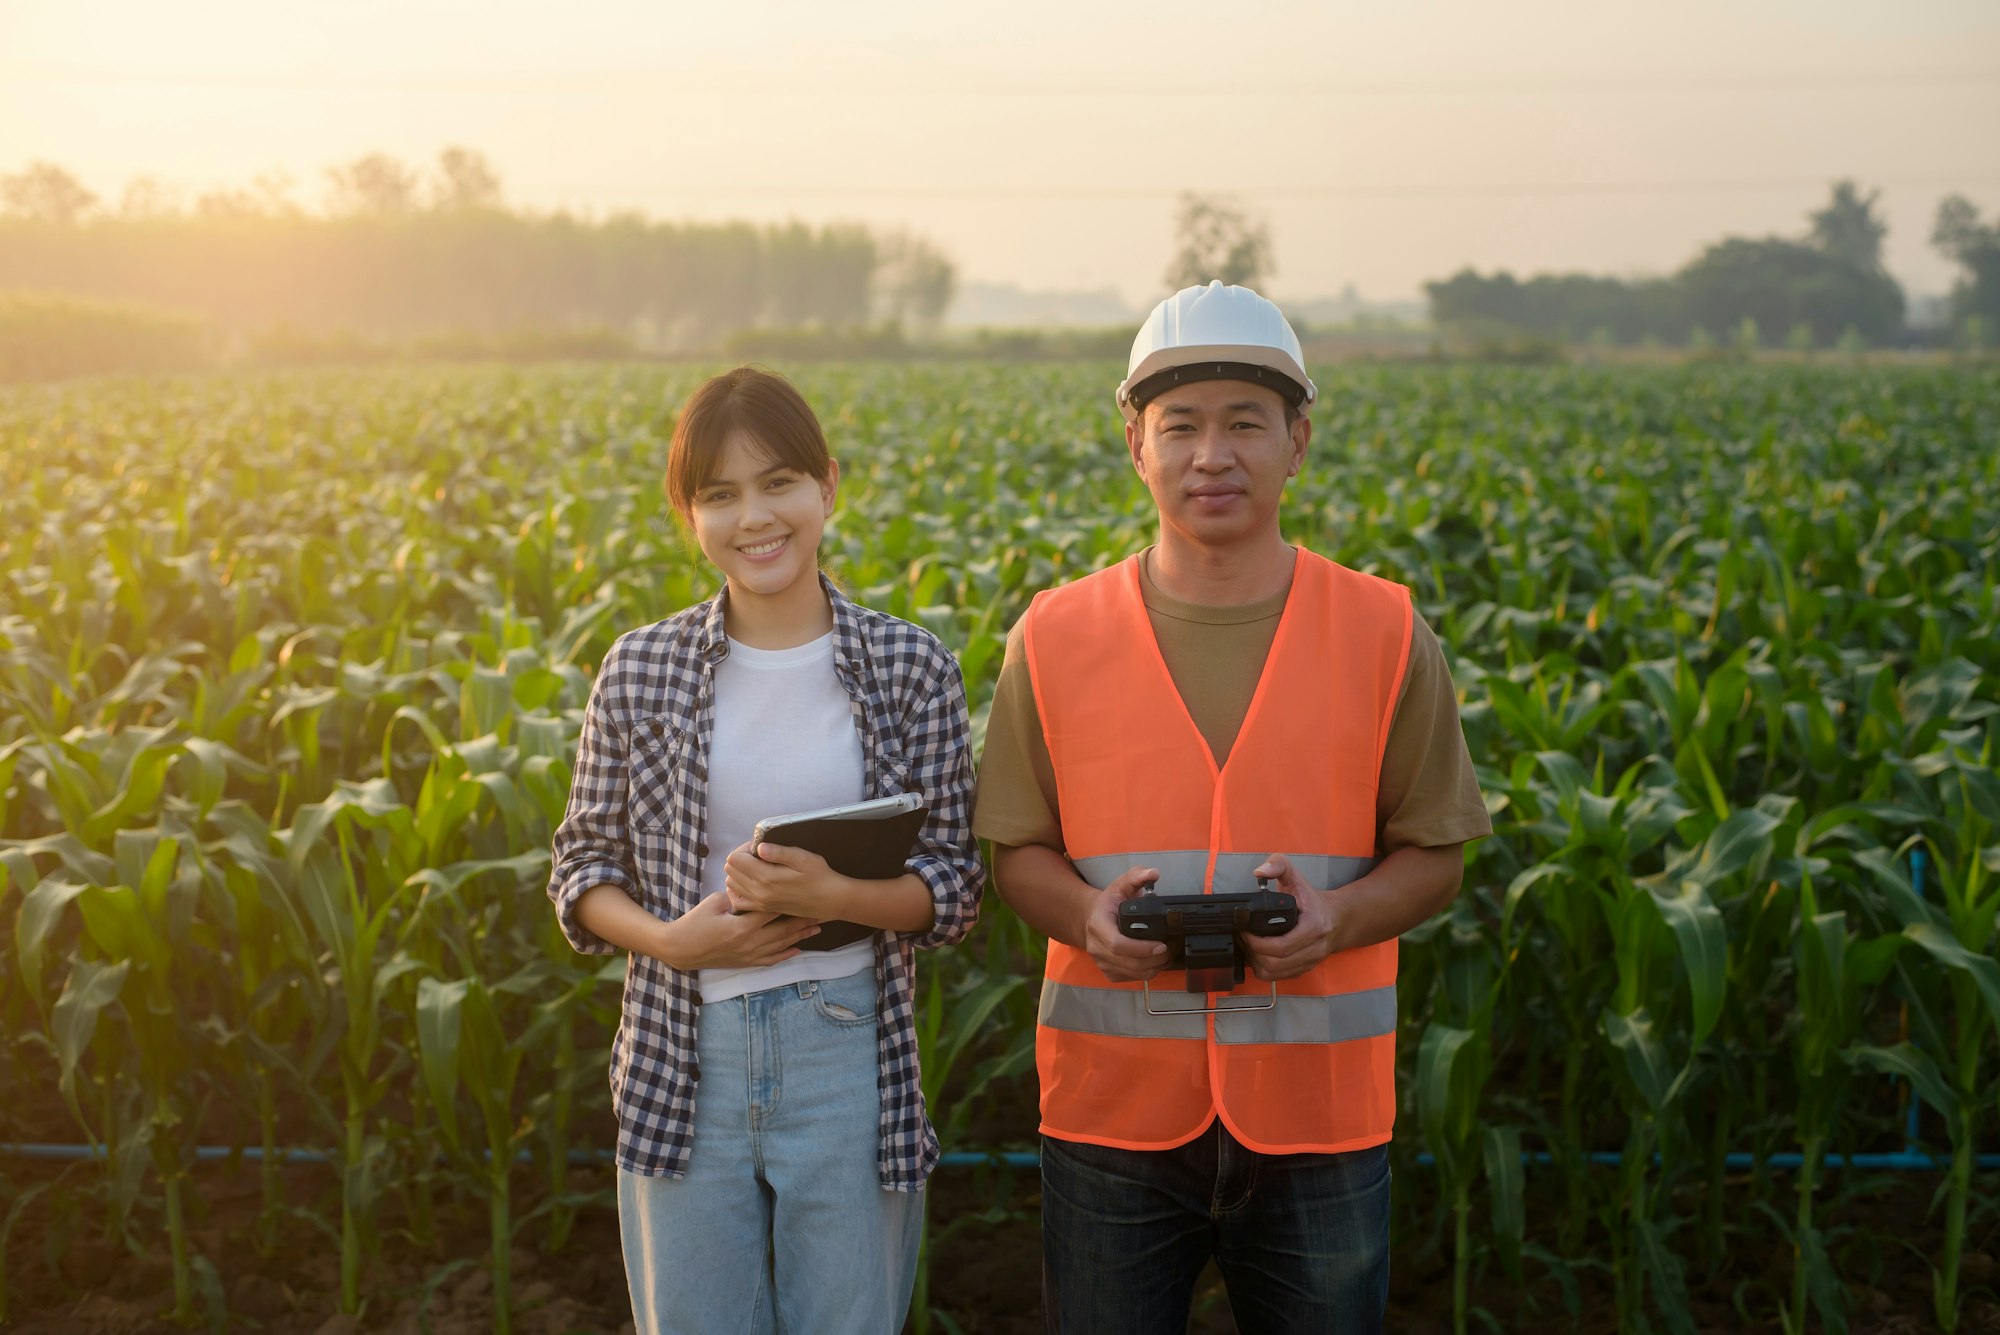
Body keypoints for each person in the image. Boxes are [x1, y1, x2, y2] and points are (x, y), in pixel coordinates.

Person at [975, 281, 1491, 1334]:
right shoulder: (1054, 635)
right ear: (1135, 443)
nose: (1211, 454)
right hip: (1110, 1112)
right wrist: (1082, 918)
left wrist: (1335, 920)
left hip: (1320, 1118)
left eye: (1244, 423)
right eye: (1180, 426)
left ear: (1297, 440)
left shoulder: (1385, 631)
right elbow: (1015, 847)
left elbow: (1436, 850)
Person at [547, 366, 983, 1335]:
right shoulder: (640, 668)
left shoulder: (910, 666)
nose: (755, 516)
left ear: (827, 485)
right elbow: (580, 867)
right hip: (682, 1049)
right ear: (688, 514)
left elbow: (953, 889)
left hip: (848, 1046)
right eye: (719, 494)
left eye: (778, 481)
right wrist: (672, 943)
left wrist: (838, 892)